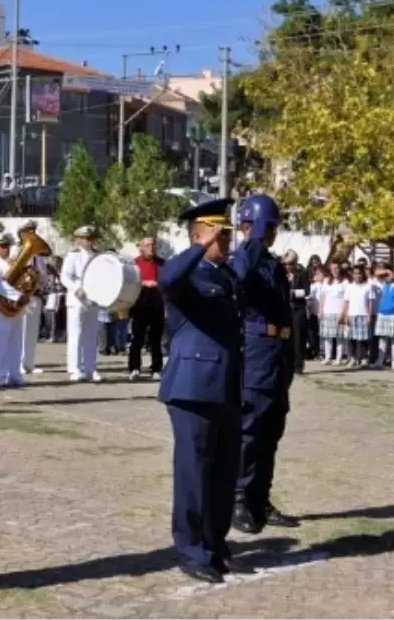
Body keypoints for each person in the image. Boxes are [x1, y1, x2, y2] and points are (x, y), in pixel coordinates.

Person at [158, 198, 255, 583]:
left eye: (229, 234)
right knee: (193, 473)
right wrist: (198, 247)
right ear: (200, 235)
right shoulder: (188, 276)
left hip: (227, 386)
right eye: (219, 234)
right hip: (193, 388)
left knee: (223, 473)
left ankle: (215, 544)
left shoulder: (226, 277)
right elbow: (167, 280)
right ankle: (191, 549)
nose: (226, 241)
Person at [231, 194, 299, 535]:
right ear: (249, 226)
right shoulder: (245, 257)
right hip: (257, 354)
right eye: (267, 227)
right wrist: (253, 241)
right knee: (251, 430)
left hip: (277, 353)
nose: (272, 233)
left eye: (273, 227)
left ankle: (260, 498)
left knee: (272, 430)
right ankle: (239, 497)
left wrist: (292, 355)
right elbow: (240, 278)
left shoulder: (270, 263)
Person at [60, 225, 102, 382]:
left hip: (93, 298)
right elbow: (65, 276)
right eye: (84, 238)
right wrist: (76, 289)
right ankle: (74, 368)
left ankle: (91, 368)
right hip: (77, 298)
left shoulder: (98, 256)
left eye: (90, 238)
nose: (88, 241)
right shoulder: (73, 255)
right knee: (76, 334)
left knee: (91, 335)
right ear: (78, 240)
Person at [0, 232, 26, 387]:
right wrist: (18, 295)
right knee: (0, 344)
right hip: (0, 308)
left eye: (7, 246)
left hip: (16, 309)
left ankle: (15, 375)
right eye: (2, 246)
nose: (6, 249)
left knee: (16, 343)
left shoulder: (14, 265)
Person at [128, 235, 166, 380]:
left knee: (156, 338)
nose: (151, 247)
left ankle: (156, 368)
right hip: (140, 302)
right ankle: (134, 368)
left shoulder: (162, 263)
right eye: (148, 245)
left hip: (157, 302)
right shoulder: (134, 263)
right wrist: (144, 283)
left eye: (153, 245)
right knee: (137, 337)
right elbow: (130, 282)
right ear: (141, 247)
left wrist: (158, 284)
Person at [13, 220, 47, 377]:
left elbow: (43, 274)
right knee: (21, 330)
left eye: (34, 231)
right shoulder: (17, 250)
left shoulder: (39, 256)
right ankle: (18, 363)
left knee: (33, 331)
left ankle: (29, 363)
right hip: (22, 295)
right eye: (29, 231)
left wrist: (42, 284)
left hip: (36, 296)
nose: (32, 234)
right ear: (22, 234)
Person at [283, 250, 310, 374]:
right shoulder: (282, 275)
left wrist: (293, 293)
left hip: (298, 309)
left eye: (291, 264)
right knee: (286, 337)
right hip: (286, 309)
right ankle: (287, 363)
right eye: (287, 264)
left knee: (298, 337)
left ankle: (298, 365)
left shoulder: (302, 274)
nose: (289, 267)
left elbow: (307, 291)